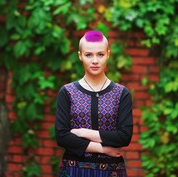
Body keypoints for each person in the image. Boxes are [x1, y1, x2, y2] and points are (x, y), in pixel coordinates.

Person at [55, 30, 133, 177]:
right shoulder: (67, 92)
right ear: (80, 56)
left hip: (112, 171)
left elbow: (124, 136)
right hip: (73, 170)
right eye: (89, 55)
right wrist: (103, 149)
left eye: (100, 54)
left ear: (108, 55)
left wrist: (83, 132)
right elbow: (62, 136)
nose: (95, 60)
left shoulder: (121, 94)